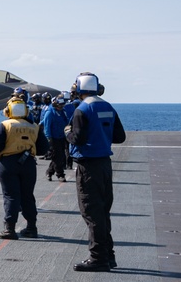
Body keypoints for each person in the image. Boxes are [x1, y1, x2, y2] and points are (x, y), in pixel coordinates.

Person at [66, 72, 126, 272]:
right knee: (103, 211)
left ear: (79, 88)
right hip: (104, 165)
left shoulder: (82, 109)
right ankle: (109, 255)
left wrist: (67, 132)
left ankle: (98, 257)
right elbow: (119, 137)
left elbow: (78, 139)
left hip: (88, 166)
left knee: (91, 213)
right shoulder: (107, 106)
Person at [0, 97, 49, 239]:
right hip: (28, 163)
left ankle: (9, 229)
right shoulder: (34, 126)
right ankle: (31, 228)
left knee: (11, 196)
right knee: (28, 195)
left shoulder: (5, 125)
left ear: (8, 111)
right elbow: (44, 148)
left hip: (8, 163)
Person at [42, 94, 69, 182]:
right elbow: (47, 127)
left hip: (62, 137)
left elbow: (66, 122)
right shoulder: (50, 113)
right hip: (53, 138)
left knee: (59, 156)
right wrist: (49, 139)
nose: (61, 107)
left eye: (62, 105)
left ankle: (49, 172)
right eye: (59, 105)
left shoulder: (62, 112)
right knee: (57, 157)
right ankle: (60, 174)